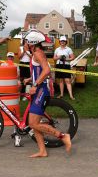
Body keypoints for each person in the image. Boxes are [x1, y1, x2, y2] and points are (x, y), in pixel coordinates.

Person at [23, 30, 71, 158]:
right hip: (39, 88)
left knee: (32, 123)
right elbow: (42, 72)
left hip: (41, 90)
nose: (25, 43)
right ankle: (42, 151)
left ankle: (63, 136)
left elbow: (47, 70)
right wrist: (30, 79)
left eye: (26, 41)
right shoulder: (35, 53)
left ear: (32, 43)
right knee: (34, 123)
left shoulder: (38, 53)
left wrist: (35, 85)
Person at [53, 35, 75, 100]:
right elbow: (54, 58)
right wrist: (59, 57)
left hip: (66, 65)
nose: (62, 42)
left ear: (66, 42)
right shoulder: (57, 49)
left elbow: (73, 57)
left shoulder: (68, 49)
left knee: (67, 80)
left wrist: (66, 59)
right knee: (61, 80)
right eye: (61, 41)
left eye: (64, 41)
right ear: (59, 42)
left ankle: (71, 95)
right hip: (59, 65)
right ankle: (61, 94)